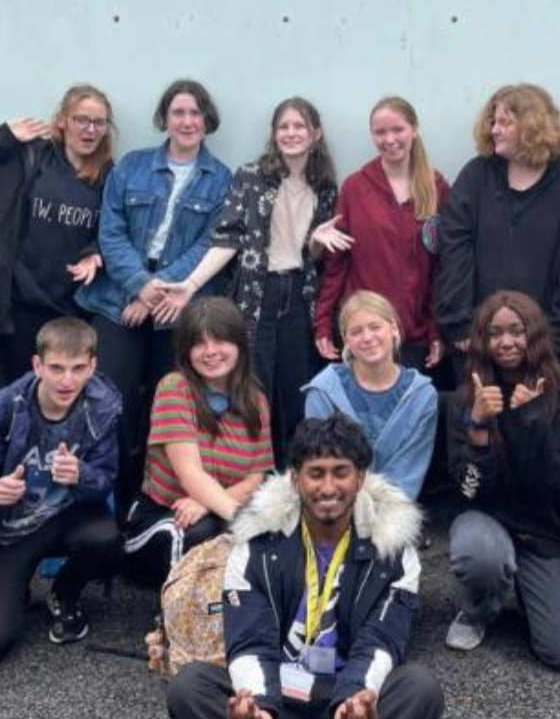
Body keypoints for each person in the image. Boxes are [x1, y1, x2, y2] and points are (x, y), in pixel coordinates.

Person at [165, 413, 443, 719]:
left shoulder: (394, 551)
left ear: (360, 477)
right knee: (190, 687)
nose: (328, 487)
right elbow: (249, 641)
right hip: (279, 702)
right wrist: (258, 709)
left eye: (340, 472)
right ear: (296, 479)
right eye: (316, 473)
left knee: (419, 689)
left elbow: (381, 641)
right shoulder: (256, 543)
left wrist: (354, 699)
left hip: (347, 707)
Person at [77, 79, 231, 516]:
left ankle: (152, 503)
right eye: (178, 112)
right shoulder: (131, 166)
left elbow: (207, 244)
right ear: (165, 118)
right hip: (118, 300)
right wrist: (139, 286)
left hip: (177, 309)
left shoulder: (221, 179)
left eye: (195, 113)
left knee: (168, 407)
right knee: (111, 401)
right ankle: (111, 501)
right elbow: (111, 231)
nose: (187, 121)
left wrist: (155, 292)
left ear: (207, 120)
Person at [156, 97, 338, 462]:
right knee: (255, 389)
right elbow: (228, 238)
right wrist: (190, 285)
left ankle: (295, 474)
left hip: (301, 297)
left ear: (315, 133)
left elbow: (312, 256)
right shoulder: (252, 176)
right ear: (274, 134)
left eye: (299, 126)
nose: (291, 133)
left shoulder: (325, 187)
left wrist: (317, 245)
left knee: (296, 391)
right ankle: (255, 474)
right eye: (283, 126)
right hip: (258, 295)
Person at [444, 291, 560, 671]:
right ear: (482, 340)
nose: (507, 341)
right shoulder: (465, 401)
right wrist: (478, 427)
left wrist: (530, 422)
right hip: (487, 522)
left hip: (541, 532)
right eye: (495, 333)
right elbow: (469, 492)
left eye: (517, 331)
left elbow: (551, 485)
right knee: (479, 551)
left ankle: (532, 593)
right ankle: (480, 607)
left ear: (534, 336)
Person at [0, 317, 120, 660]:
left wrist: (82, 475)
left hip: (63, 519)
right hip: (7, 530)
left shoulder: (103, 406)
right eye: (57, 368)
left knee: (106, 535)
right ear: (37, 365)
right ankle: (13, 588)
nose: (67, 380)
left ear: (93, 366)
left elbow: (107, 479)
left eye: (78, 368)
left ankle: (64, 592)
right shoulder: (3, 406)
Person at [436, 83, 560, 374]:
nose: (494, 130)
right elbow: (454, 250)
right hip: (477, 344)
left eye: (505, 122)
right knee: (479, 418)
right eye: (493, 122)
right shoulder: (476, 177)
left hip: (544, 351)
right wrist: (459, 323)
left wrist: (555, 345)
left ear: (532, 126)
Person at [0, 84, 116, 384]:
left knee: (63, 394)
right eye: (81, 119)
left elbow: (120, 229)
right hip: (20, 309)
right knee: (23, 393)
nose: (90, 130)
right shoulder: (31, 158)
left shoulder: (110, 175)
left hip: (73, 310)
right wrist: (2, 137)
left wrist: (95, 253)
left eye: (99, 122)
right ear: (62, 120)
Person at [121, 297, 272, 597]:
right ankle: (173, 623)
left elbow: (256, 478)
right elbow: (190, 474)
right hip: (160, 519)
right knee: (197, 532)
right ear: (186, 352)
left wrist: (208, 503)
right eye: (199, 343)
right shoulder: (175, 388)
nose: (211, 352)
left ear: (240, 345)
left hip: (211, 511)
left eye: (220, 341)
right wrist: (242, 522)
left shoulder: (255, 400)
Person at [312, 96, 449, 371]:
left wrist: (436, 330)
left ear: (414, 129)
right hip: (366, 335)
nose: (389, 139)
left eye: (397, 129)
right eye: (380, 132)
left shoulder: (436, 188)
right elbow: (337, 265)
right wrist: (323, 323)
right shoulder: (355, 187)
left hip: (415, 338)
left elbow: (442, 269)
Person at [302, 291, 437, 501]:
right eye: (356, 332)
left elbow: (408, 475)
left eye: (375, 327)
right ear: (346, 340)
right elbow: (322, 467)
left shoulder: (422, 396)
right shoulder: (322, 392)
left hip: (394, 507)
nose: (367, 338)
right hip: (333, 506)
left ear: (392, 328)